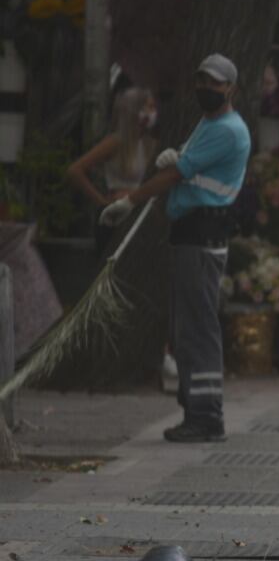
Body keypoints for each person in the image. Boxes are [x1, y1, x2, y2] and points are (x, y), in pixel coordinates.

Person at [99, 54, 251, 443]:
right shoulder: (210, 123)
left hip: (203, 237)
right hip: (191, 235)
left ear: (231, 88)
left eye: (214, 83)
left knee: (197, 329)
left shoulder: (228, 130)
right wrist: (179, 158)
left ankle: (205, 416)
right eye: (201, 80)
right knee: (188, 328)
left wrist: (128, 202)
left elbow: (175, 174)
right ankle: (195, 409)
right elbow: (184, 165)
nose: (206, 89)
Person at [67, 86, 158, 253]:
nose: (153, 113)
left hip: (140, 216)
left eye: (154, 107)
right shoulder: (116, 142)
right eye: (148, 107)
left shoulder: (150, 144)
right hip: (116, 214)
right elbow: (75, 170)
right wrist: (102, 201)